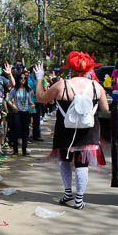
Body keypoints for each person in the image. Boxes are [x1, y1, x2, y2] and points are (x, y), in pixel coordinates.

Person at [35, 53, 109, 210]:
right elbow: (105, 109)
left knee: (64, 161)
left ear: (71, 68)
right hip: (88, 131)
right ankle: (79, 200)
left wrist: (40, 78)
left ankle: (68, 192)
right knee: (83, 164)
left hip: (65, 130)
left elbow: (41, 98)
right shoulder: (96, 86)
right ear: (88, 69)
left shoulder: (62, 85)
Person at [7, 70, 34, 155]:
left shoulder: (28, 89)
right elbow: (8, 100)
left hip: (25, 112)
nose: (23, 79)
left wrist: (32, 104)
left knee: (25, 132)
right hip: (17, 113)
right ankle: (15, 150)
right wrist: (13, 106)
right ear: (18, 79)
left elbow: (29, 101)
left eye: (24, 78)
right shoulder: (14, 89)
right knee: (16, 131)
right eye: (21, 78)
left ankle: (24, 150)